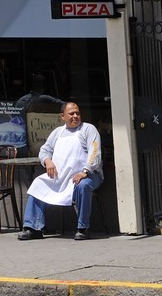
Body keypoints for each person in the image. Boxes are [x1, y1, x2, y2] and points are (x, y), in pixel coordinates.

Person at [19, 101, 104, 241]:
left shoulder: (88, 129)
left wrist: (85, 171)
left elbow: (95, 152)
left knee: (83, 185)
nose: (75, 116)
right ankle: (32, 228)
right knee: (38, 184)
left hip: (88, 175)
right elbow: (44, 150)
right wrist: (47, 161)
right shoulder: (57, 132)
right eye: (71, 114)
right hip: (61, 176)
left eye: (77, 113)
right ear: (62, 116)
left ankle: (83, 228)